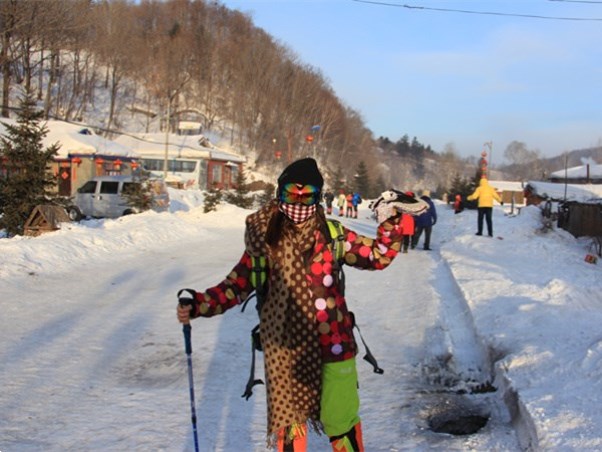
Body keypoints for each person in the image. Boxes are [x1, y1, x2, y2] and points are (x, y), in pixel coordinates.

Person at [176, 158, 413, 452]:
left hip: (334, 345)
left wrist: (389, 222)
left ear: (318, 197)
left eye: (308, 195)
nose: (299, 202)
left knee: (341, 422)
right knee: (291, 429)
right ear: (279, 194)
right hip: (285, 352)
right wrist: (199, 304)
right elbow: (234, 286)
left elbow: (377, 256)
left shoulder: (332, 235)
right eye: (291, 193)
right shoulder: (263, 241)